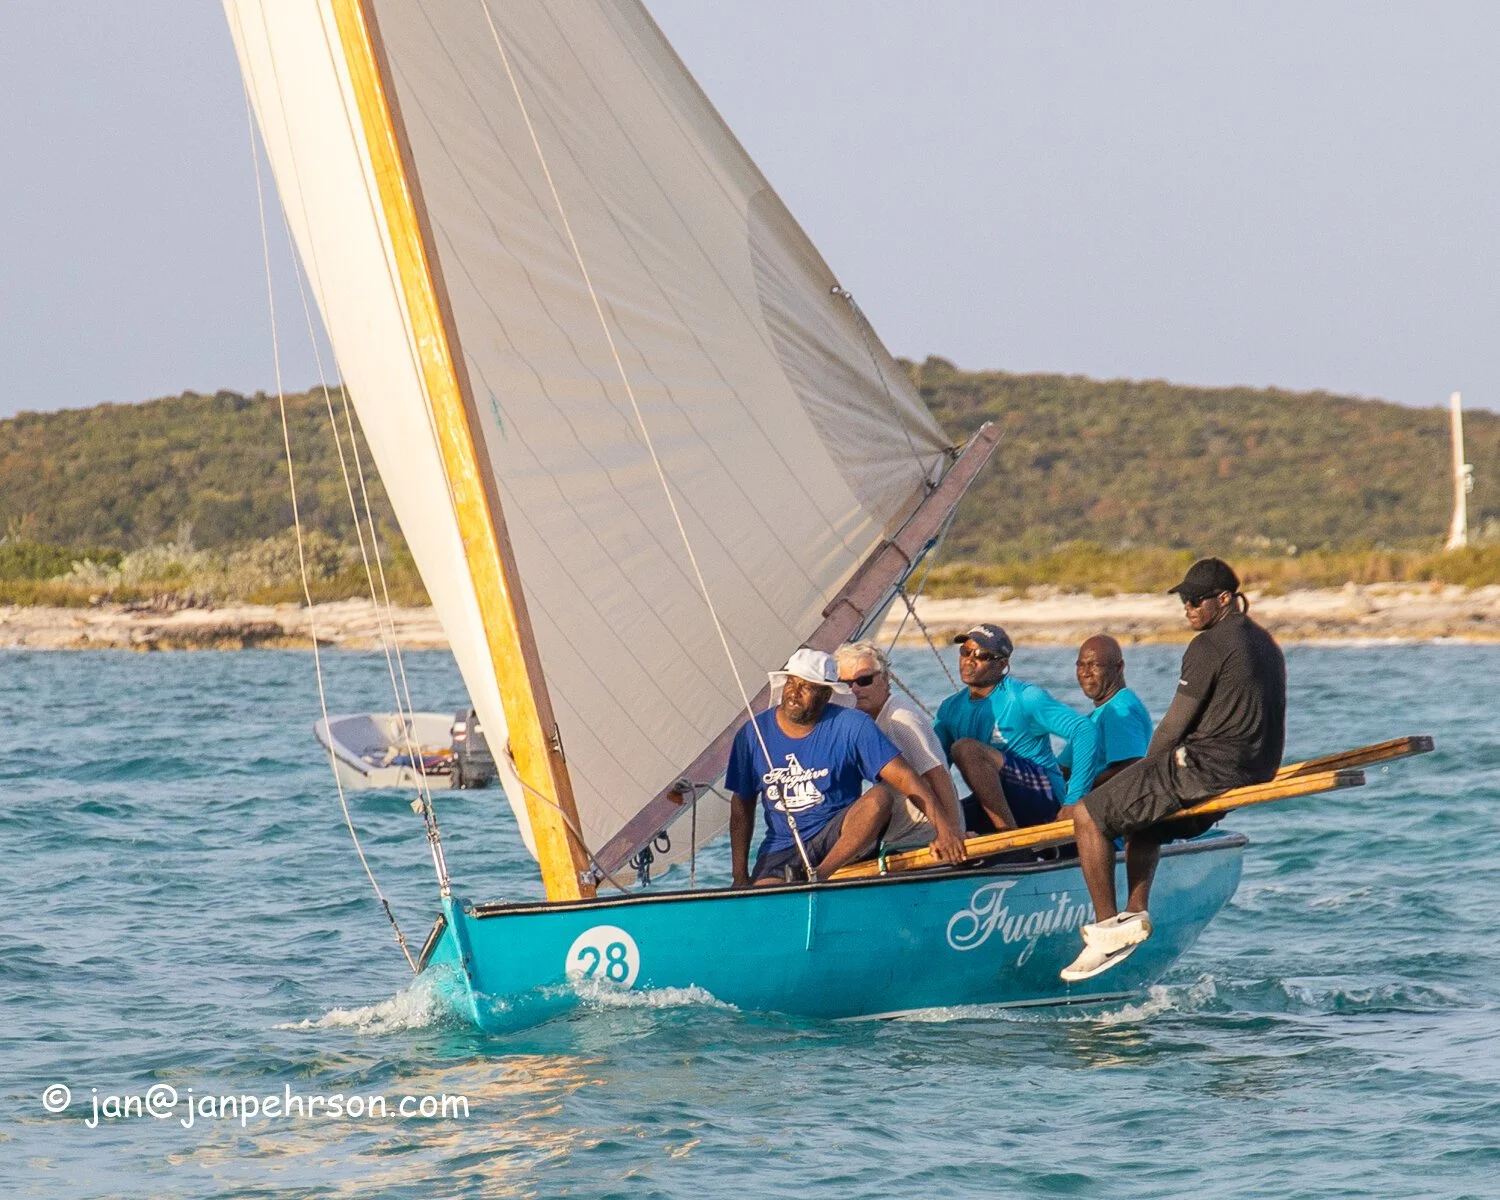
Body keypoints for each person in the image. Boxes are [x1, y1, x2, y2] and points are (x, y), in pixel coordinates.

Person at [1059, 558, 1286, 981]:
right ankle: (1134, 914)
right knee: (1145, 818)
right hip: (1255, 766)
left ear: (1224, 599)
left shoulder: (1209, 646)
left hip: (1208, 768)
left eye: (1197, 600)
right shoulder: (1262, 640)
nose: (1188, 608)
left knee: (1089, 814)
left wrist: (1148, 771)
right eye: (1184, 600)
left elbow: (1174, 724)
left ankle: (1106, 928)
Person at [726, 647, 946, 886]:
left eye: (806, 686)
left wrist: (946, 831)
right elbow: (742, 806)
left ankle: (819, 876)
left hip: (840, 838)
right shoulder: (752, 734)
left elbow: (906, 778)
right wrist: (740, 876)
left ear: (826, 694)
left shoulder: (853, 725)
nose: (794, 693)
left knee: (880, 796)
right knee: (766, 895)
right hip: (783, 847)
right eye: (791, 682)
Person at [933, 624, 1101, 832]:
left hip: (1043, 798)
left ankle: (1008, 838)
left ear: (1002, 664)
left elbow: (1084, 730)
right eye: (965, 651)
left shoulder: (1025, 697)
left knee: (965, 748)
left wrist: (1074, 800)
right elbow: (932, 766)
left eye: (981, 655)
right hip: (998, 802)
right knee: (935, 823)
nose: (969, 659)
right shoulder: (950, 708)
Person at [833, 640, 967, 860]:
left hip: (919, 837)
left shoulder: (899, 720)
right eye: (845, 684)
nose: (854, 689)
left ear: (886, 679)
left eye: (864, 680)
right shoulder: (869, 720)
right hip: (898, 833)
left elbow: (938, 775)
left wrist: (953, 834)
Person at [1059, 634, 1154, 788]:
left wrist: (1077, 791)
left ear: (1118, 667)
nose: (1085, 672)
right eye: (1080, 665)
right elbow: (1061, 770)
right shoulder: (1095, 717)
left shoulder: (1120, 709)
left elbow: (1130, 767)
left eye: (1094, 665)